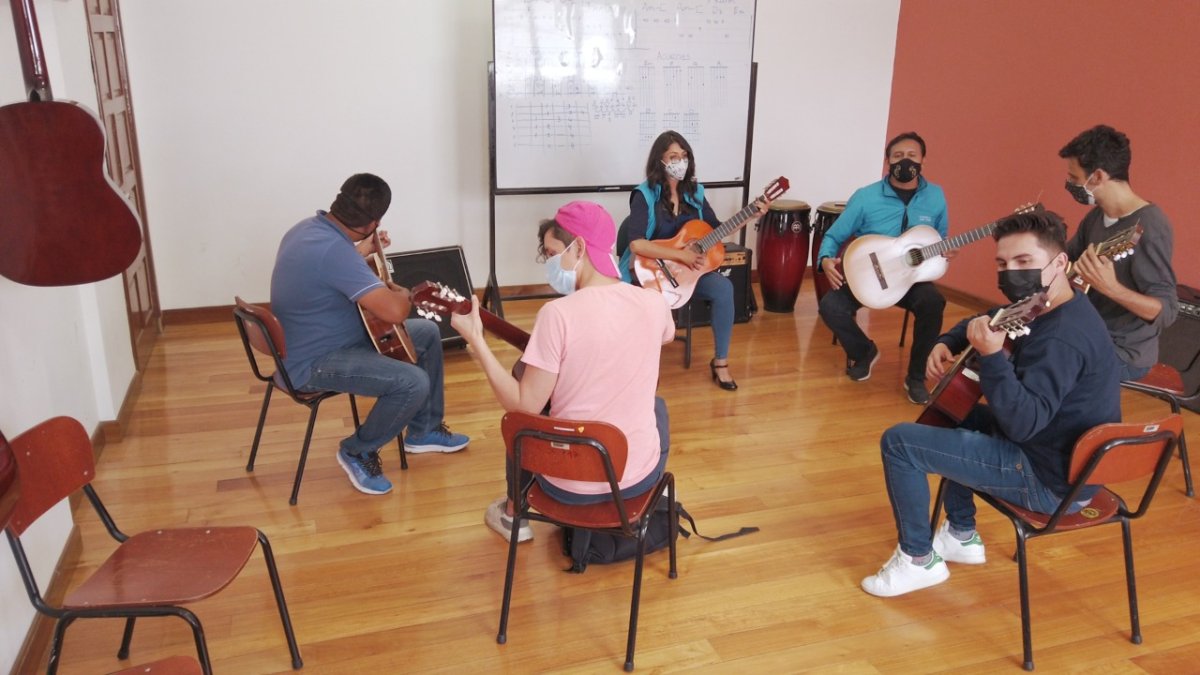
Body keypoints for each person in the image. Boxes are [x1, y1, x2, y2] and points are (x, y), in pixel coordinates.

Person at [860, 210, 1121, 597]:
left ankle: (917, 560)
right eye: (1002, 263)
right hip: (1057, 458)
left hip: (1050, 482)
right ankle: (962, 535)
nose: (1011, 272)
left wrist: (994, 358)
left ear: (1060, 262)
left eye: (1024, 262)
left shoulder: (1062, 339)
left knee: (900, 443)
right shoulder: (1050, 304)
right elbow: (990, 317)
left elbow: (1022, 424)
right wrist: (948, 340)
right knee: (955, 416)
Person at [451, 201, 674, 542]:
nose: (551, 264)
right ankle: (639, 509)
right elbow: (668, 334)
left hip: (567, 485)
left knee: (532, 419)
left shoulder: (558, 314)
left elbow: (523, 405)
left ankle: (515, 515)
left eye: (554, 253)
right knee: (656, 408)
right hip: (634, 479)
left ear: (580, 247)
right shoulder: (654, 303)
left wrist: (477, 341)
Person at [270, 173, 469, 496]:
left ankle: (424, 429)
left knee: (428, 334)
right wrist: (403, 294)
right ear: (373, 222)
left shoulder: (308, 230)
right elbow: (394, 311)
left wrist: (361, 251)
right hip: (312, 364)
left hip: (315, 342)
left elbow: (333, 265)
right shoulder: (334, 253)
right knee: (411, 382)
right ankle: (358, 449)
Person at [617, 130, 765, 391]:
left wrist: (751, 214)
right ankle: (638, 368)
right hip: (649, 271)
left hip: (687, 273)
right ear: (660, 161)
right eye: (673, 156)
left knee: (724, 288)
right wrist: (681, 254)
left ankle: (720, 362)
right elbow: (637, 243)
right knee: (649, 306)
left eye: (684, 156)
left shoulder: (695, 193)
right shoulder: (644, 195)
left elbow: (717, 228)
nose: (680, 161)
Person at [816, 131, 950, 405]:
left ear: (923, 159)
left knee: (933, 302)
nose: (905, 161)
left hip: (911, 277)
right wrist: (826, 259)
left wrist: (943, 253)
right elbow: (833, 236)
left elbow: (940, 239)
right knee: (831, 306)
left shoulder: (936, 197)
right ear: (888, 160)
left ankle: (915, 378)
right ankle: (864, 351)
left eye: (911, 155)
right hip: (869, 274)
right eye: (898, 156)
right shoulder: (866, 197)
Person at [1059, 124, 1178, 382]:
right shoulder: (1097, 216)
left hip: (1123, 351)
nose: (1070, 184)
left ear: (1098, 176)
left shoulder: (1150, 226)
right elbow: (1065, 260)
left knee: (1047, 363)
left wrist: (1110, 287)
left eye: (1075, 178)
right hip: (1087, 332)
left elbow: (1166, 311)